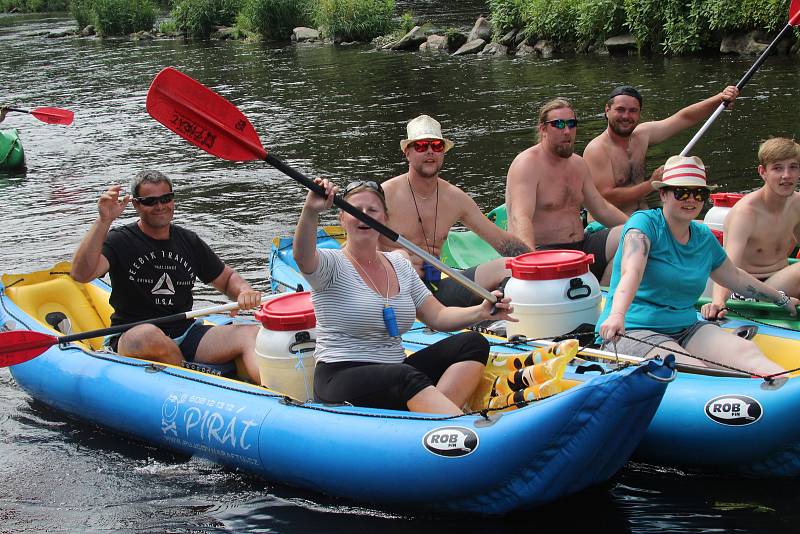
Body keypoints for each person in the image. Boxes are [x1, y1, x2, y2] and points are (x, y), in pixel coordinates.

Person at [293, 178, 515, 414]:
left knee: (473, 343)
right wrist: (310, 211)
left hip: (394, 371)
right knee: (405, 377)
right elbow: (302, 257)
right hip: (339, 375)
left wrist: (480, 311)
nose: (363, 215)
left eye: (372, 210)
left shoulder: (399, 264)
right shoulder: (330, 263)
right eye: (354, 210)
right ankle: (454, 426)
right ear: (342, 219)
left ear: (384, 219)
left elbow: (438, 315)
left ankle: (434, 419)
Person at [597, 155, 798, 376]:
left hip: (686, 327)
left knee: (745, 352)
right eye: (681, 192)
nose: (691, 199)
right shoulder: (643, 224)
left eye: (699, 193)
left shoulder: (703, 236)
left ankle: (787, 390)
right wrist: (617, 314)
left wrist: (781, 299)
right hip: (634, 330)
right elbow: (631, 271)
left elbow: (735, 277)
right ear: (663, 194)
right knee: (694, 371)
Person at [70, 170, 263, 382]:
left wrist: (244, 291)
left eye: (166, 198)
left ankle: (275, 396)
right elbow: (81, 274)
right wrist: (103, 221)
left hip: (185, 332)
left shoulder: (188, 241)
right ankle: (195, 381)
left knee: (249, 334)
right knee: (147, 335)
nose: (160, 206)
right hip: (132, 335)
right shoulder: (120, 240)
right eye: (150, 201)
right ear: (136, 205)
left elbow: (226, 279)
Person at [379, 114, 529, 307]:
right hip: (394, 294)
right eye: (421, 146)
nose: (430, 151)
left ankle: (501, 314)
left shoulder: (454, 198)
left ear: (443, 152)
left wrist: (535, 261)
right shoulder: (383, 196)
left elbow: (500, 240)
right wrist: (394, 262)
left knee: (507, 266)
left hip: (434, 291)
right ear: (407, 152)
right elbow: (356, 251)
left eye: (437, 146)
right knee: (402, 258)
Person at [505, 98, 628, 284]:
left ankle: (605, 294)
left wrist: (640, 225)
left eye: (571, 123)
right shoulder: (527, 164)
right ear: (543, 129)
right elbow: (520, 217)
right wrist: (530, 261)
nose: (567, 131)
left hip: (581, 248)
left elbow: (601, 208)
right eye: (559, 124)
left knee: (633, 237)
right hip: (545, 253)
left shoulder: (578, 164)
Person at [583, 85, 739, 215]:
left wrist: (719, 99)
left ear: (639, 113)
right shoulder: (597, 149)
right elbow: (605, 197)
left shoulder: (642, 135)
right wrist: (651, 184)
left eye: (632, 111)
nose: (626, 116)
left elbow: (685, 118)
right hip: (607, 226)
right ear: (607, 110)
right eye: (620, 109)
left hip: (644, 216)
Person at [705, 138, 800, 317]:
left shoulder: (797, 204)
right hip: (747, 294)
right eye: (778, 168)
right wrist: (718, 302)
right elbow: (726, 267)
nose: (786, 175)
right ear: (763, 172)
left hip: (782, 284)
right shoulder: (745, 213)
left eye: (793, 167)